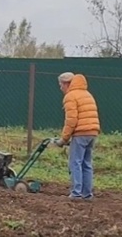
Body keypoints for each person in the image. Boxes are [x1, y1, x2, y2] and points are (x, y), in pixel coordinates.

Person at [52, 72, 100, 201]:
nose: (60, 88)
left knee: (75, 163)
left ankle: (76, 193)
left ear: (67, 84)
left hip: (80, 133)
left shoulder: (71, 96)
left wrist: (63, 139)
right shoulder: (87, 94)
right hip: (92, 132)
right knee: (86, 163)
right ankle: (87, 194)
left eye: (60, 85)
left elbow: (71, 121)